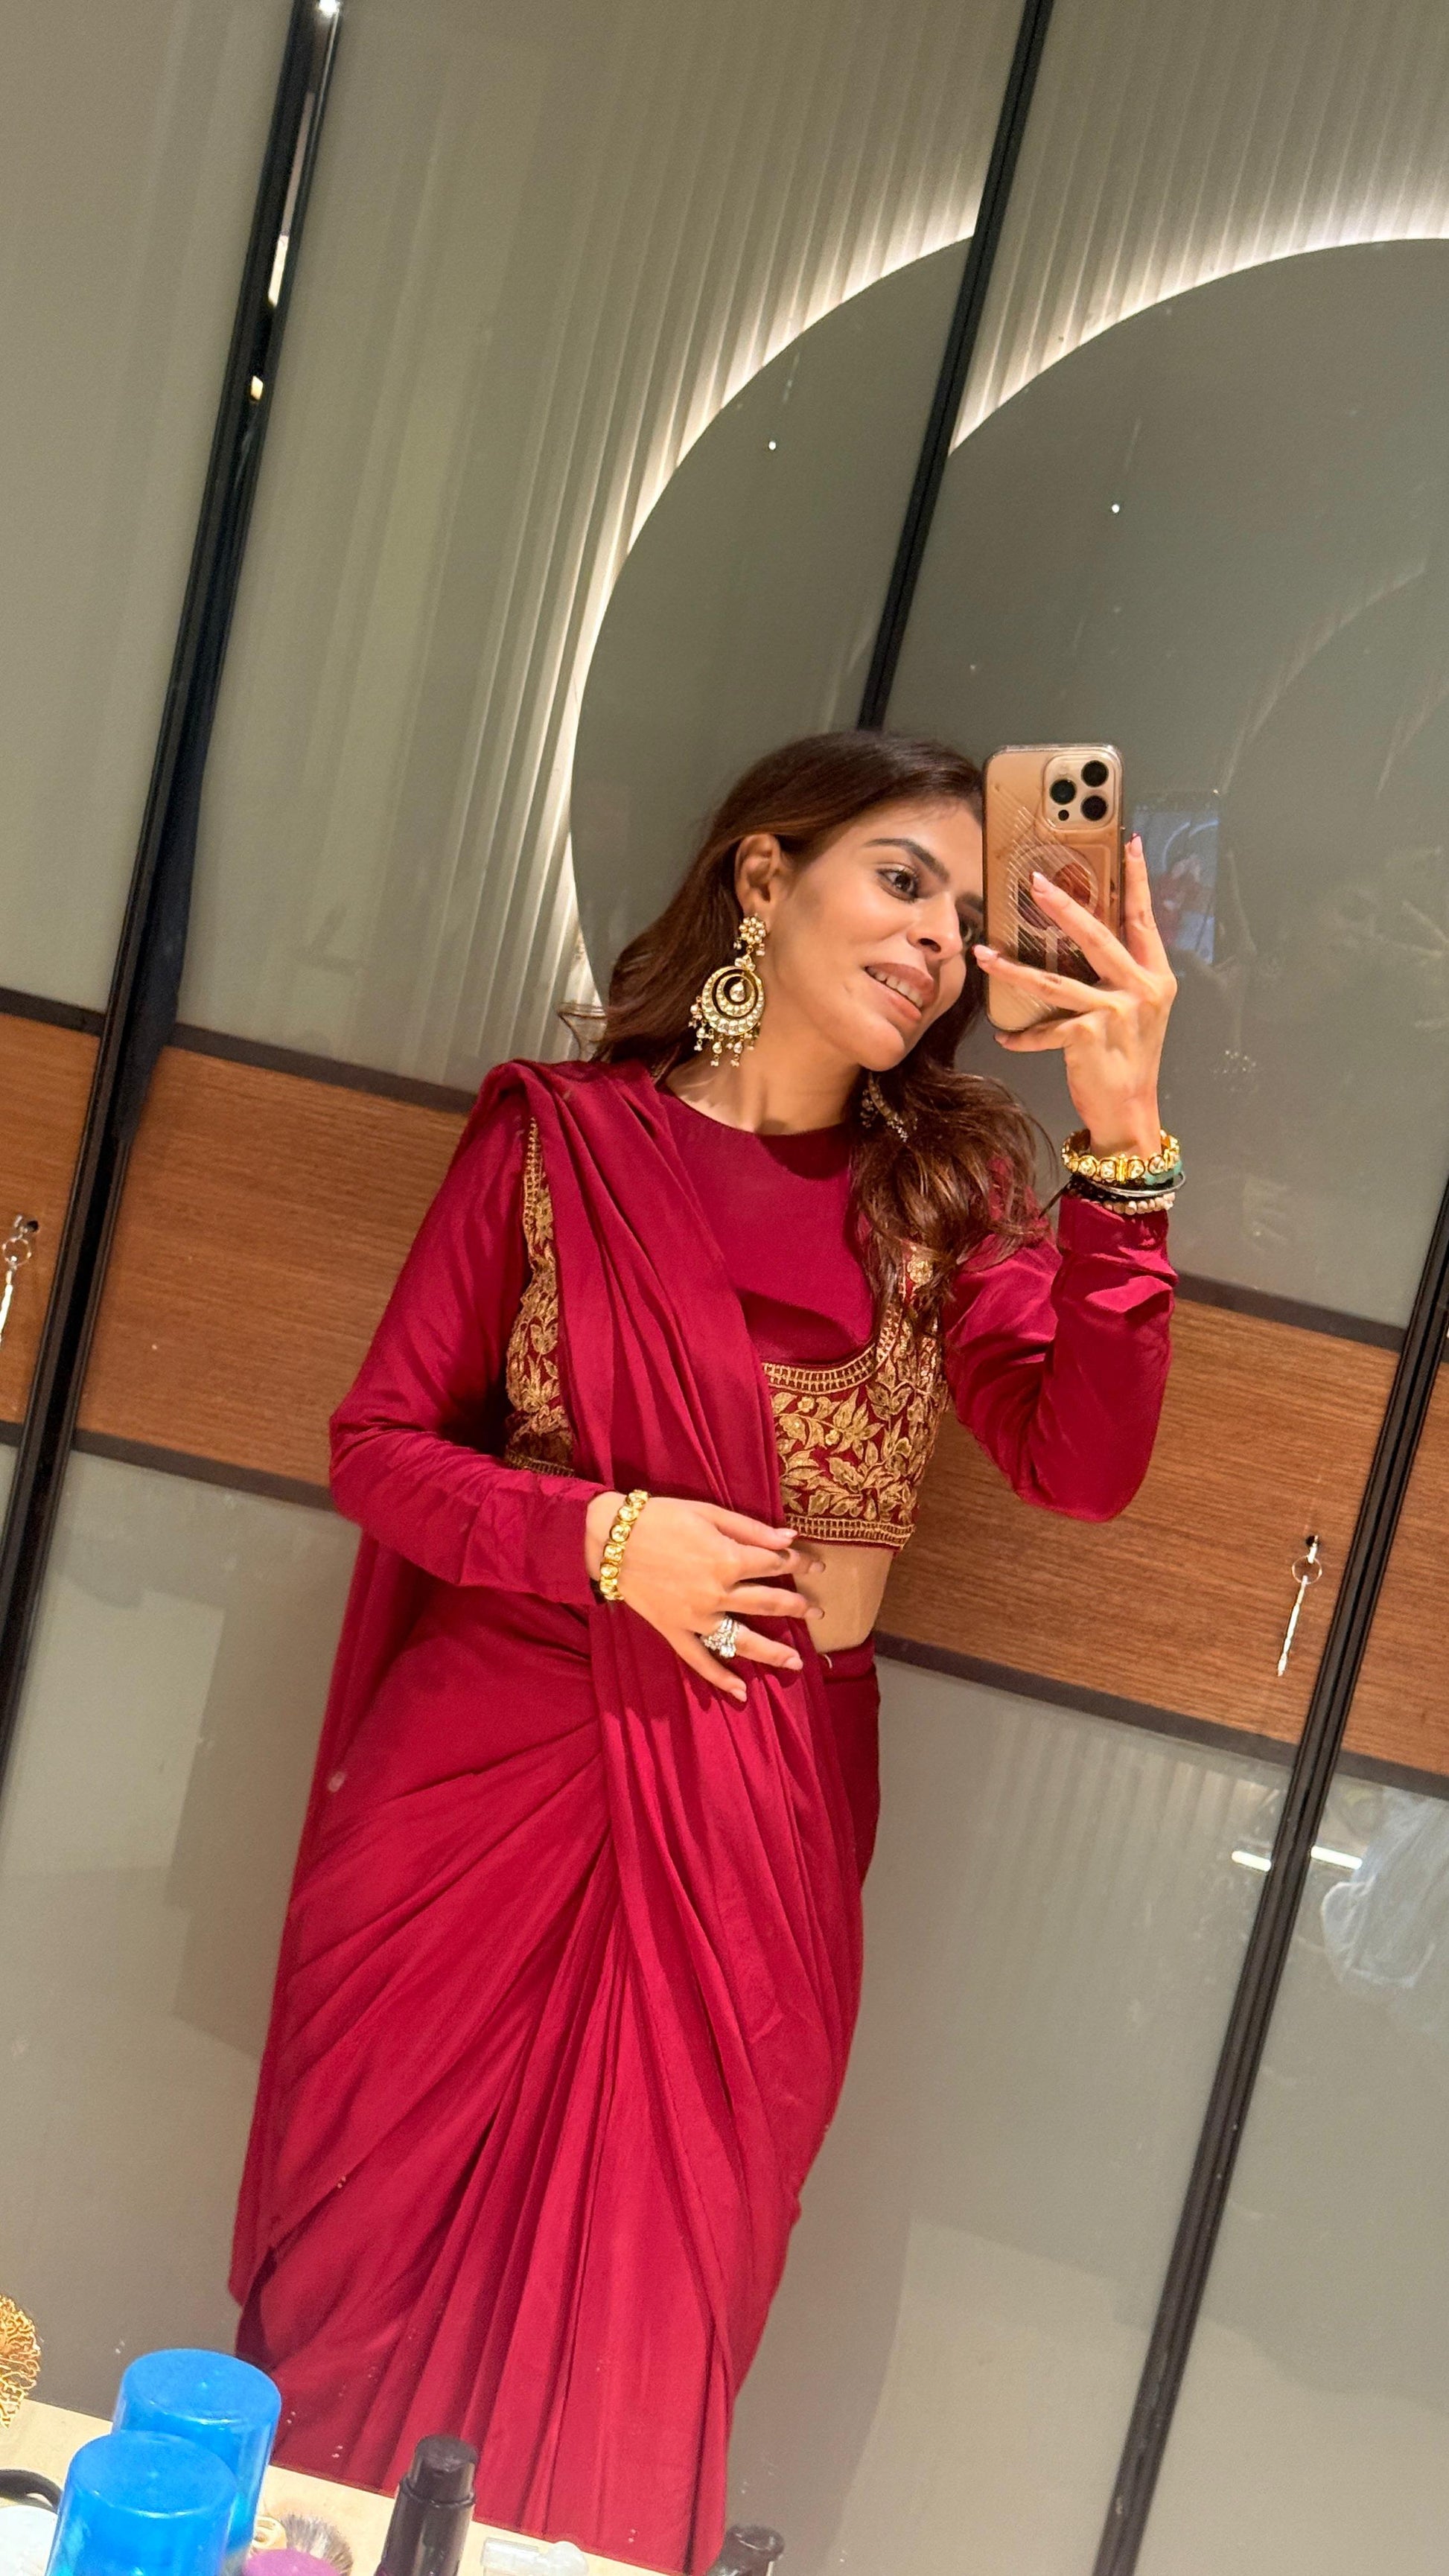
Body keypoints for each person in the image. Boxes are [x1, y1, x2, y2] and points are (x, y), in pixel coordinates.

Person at [232, 732, 1178, 2574]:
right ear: (764, 878)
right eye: (900, 879)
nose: (935, 939)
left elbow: (1082, 1463)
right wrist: (604, 1536)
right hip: (478, 1792)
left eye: (967, 917)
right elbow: (381, 1447)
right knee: (364, 2278)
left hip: (759, 1812)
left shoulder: (945, 1199)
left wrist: (1123, 1138)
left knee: (650, 2316)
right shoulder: (557, 1140)